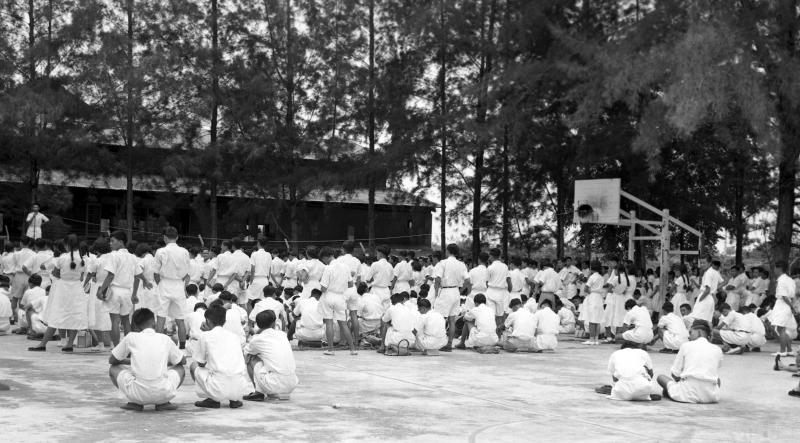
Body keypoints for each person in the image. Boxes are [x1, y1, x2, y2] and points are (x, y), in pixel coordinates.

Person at [108, 308, 186, 411]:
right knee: (180, 369)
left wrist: (130, 361)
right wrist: (165, 362)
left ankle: (134, 402)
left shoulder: (131, 337)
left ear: (135, 325)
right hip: (163, 393)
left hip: (136, 394)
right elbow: (182, 361)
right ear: (154, 322)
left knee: (113, 369)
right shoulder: (165, 338)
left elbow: (112, 360)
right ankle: (164, 402)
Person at [29, 235, 88, 352]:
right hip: (76, 288)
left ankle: (43, 344)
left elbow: (56, 274)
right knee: (74, 316)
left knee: (56, 316)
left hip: (63, 288)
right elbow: (81, 276)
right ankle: (69, 344)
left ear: (66, 245)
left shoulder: (62, 258)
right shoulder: (82, 259)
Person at [190, 305, 249, 409]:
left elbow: (200, 363)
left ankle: (212, 399)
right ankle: (234, 400)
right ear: (224, 321)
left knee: (193, 366)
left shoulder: (205, 336)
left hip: (218, 387)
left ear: (207, 321)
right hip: (240, 388)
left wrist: (206, 333)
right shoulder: (234, 337)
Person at [656, 319, 723, 404]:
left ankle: (672, 392)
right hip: (711, 397)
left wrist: (683, 378)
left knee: (661, 377)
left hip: (687, 394)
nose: (689, 336)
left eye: (691, 333)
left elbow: (675, 374)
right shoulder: (717, 349)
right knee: (718, 380)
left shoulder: (686, 346)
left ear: (699, 332)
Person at [96, 231, 143, 346]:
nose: (110, 244)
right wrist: (134, 294)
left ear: (121, 242)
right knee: (126, 320)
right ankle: (128, 347)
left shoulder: (113, 255)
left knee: (115, 321)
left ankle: (117, 347)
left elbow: (110, 275)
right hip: (127, 291)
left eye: (113, 241)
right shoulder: (133, 257)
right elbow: (137, 277)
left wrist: (101, 290)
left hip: (115, 291)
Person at [243, 310, 299, 402]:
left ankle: (258, 393)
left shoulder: (258, 339)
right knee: (267, 356)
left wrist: (255, 334)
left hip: (273, 384)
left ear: (257, 324)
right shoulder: (282, 335)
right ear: (274, 323)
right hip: (292, 383)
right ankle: (264, 389)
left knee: (251, 356)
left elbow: (246, 352)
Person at [150, 227, 191, 349]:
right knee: (180, 319)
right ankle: (182, 347)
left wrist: (160, 285)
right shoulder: (184, 251)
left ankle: (158, 346)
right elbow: (187, 272)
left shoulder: (160, 251)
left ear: (165, 238)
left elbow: (155, 272)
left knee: (161, 316)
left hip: (164, 283)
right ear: (177, 237)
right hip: (178, 284)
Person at [319, 246, 357, 355]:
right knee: (343, 324)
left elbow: (323, 288)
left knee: (329, 322)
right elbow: (350, 284)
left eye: (324, 260)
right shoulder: (345, 267)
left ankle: (331, 350)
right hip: (341, 297)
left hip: (329, 296)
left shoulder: (328, 268)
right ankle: (352, 349)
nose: (325, 262)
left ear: (326, 257)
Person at [434, 244, 471, 351]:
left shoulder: (443, 263)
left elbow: (437, 279)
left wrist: (436, 292)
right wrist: (460, 289)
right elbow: (468, 281)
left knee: (440, 317)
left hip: (445, 291)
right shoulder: (462, 264)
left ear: (448, 251)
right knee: (452, 320)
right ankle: (449, 344)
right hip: (455, 291)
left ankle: (438, 342)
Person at [769, 260, 797, 357]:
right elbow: (791, 296)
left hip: (783, 304)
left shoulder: (781, 280)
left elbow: (784, 296)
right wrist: (792, 306)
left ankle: (782, 351)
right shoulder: (790, 279)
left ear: (779, 268)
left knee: (780, 328)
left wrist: (792, 307)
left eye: (775, 268)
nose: (774, 270)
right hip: (787, 304)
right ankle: (789, 349)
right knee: (783, 328)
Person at [582, 260, 609, 345]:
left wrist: (590, 291)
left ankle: (591, 339)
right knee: (597, 319)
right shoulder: (601, 277)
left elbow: (586, 288)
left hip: (593, 297)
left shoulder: (592, 276)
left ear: (591, 268)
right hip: (599, 298)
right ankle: (596, 339)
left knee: (591, 319)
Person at [9, 236, 35, 325]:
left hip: (18, 275)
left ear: (21, 243)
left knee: (15, 297)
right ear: (29, 243)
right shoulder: (33, 254)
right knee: (24, 299)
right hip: (28, 276)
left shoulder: (16, 253)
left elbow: (15, 264)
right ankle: (23, 319)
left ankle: (14, 316)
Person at [689, 258, 723, 323]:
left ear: (709, 263)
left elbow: (707, 290)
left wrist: (700, 299)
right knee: (706, 320)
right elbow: (723, 282)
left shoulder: (708, 273)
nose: (702, 265)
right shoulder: (715, 272)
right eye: (701, 263)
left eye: (704, 263)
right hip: (709, 297)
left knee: (699, 319)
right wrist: (715, 290)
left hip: (705, 297)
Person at [485, 248, 510, 329]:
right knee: (500, 315)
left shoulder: (490, 268)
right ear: (499, 256)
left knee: (491, 315)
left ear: (491, 256)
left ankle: (491, 333)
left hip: (491, 291)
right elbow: (508, 279)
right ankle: (498, 336)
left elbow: (486, 281)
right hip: (501, 292)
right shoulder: (505, 266)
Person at [247, 237, 273, 309]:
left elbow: (253, 269)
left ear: (258, 243)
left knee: (250, 301)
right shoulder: (268, 255)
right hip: (265, 280)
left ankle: (251, 319)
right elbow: (269, 269)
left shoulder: (254, 254)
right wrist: (268, 280)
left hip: (255, 279)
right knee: (263, 301)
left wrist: (251, 281)